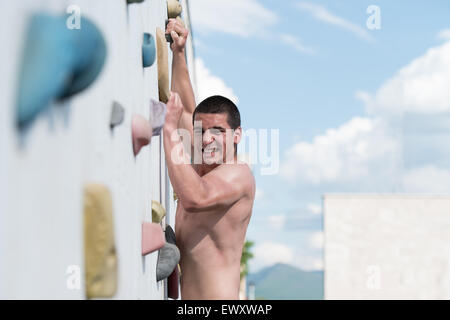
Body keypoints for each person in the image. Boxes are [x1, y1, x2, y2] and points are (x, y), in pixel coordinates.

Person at [163, 18, 255, 299]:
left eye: (218, 131)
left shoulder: (238, 175)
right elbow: (186, 103)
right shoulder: (201, 158)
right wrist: (178, 52)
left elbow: (196, 198)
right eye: (202, 131)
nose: (207, 139)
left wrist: (168, 131)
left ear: (237, 135)